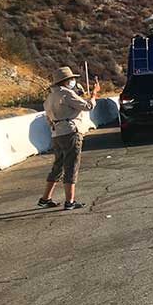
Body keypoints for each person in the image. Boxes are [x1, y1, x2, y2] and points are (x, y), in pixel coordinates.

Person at [38, 66, 100, 210]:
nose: (73, 81)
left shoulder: (50, 97)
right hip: (70, 131)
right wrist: (94, 94)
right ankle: (69, 201)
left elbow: (48, 118)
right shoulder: (66, 94)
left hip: (56, 133)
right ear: (66, 81)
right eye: (72, 79)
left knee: (58, 165)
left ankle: (45, 198)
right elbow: (88, 106)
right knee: (71, 165)